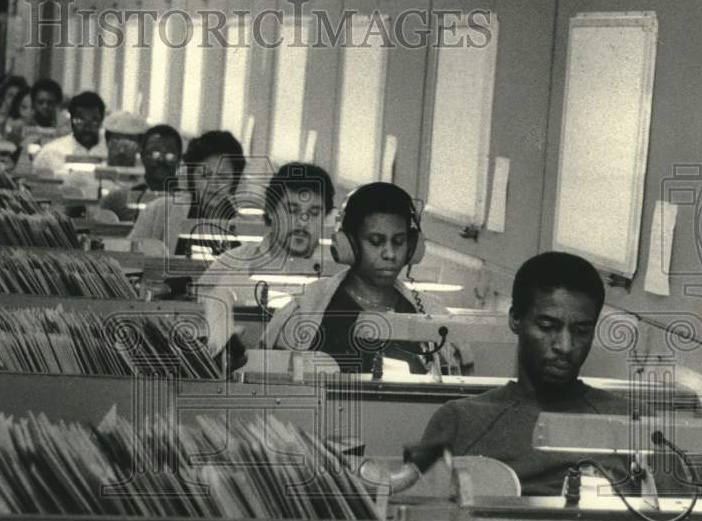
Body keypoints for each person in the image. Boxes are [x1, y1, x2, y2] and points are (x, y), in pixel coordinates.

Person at [416, 251, 634, 496]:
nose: (565, 345)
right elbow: (420, 518)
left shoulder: (630, 422)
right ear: (516, 319)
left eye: (581, 331)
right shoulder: (459, 421)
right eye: (547, 327)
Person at [263, 182, 470, 376]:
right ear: (349, 244)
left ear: (412, 248)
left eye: (399, 241)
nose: (390, 253)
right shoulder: (304, 310)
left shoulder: (433, 314)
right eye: (376, 241)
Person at [198, 161, 335, 356]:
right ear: (270, 211)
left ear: (325, 217)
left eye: (314, 213)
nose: (302, 222)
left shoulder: (336, 274)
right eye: (292, 211)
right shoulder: (229, 265)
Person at [129, 130, 244, 255]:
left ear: (235, 181)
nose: (213, 184)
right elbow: (131, 261)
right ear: (192, 176)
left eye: (223, 177)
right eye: (205, 175)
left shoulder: (248, 222)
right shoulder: (158, 210)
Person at [100, 124, 183, 223]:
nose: (161, 159)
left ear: (179, 159)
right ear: (142, 156)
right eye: (154, 154)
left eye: (170, 155)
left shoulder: (188, 200)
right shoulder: (117, 200)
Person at [31, 91, 108, 177]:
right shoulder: (51, 152)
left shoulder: (110, 153)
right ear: (71, 120)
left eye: (94, 121)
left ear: (101, 121)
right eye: (80, 120)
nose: (87, 127)